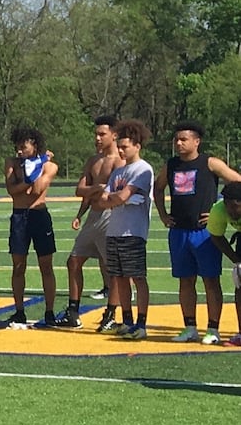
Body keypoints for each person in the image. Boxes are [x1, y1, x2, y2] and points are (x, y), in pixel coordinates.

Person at [153, 121, 241, 344]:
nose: (179, 143)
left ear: (196, 141)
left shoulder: (209, 163)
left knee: (211, 280)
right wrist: (163, 215)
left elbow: (237, 181)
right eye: (177, 139)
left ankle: (213, 329)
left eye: (184, 139)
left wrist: (219, 204)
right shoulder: (171, 165)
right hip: (179, 231)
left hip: (204, 233)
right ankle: (189, 327)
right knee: (185, 281)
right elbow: (158, 187)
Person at [90, 119, 153, 340]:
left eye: (125, 146)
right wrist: (118, 199)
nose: (121, 150)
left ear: (137, 146)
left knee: (137, 277)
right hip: (114, 231)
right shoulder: (119, 173)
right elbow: (102, 201)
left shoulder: (143, 169)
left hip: (132, 232)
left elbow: (121, 196)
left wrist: (117, 198)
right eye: (120, 146)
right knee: (118, 278)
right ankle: (127, 321)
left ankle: (141, 323)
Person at [63, 116, 120, 329]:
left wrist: (95, 190)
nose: (97, 138)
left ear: (114, 135)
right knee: (74, 261)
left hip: (110, 216)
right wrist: (81, 212)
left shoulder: (118, 161)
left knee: (112, 267)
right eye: (96, 134)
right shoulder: (93, 160)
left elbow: (115, 191)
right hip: (93, 217)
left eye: (102, 134)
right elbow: (80, 190)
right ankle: (73, 311)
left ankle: (111, 313)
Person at [3, 127, 60, 326]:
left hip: (39, 215)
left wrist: (39, 165)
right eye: (17, 147)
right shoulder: (12, 163)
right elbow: (12, 190)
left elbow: (36, 190)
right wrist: (27, 179)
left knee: (46, 265)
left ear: (34, 145)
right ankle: (19, 311)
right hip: (19, 216)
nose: (19, 151)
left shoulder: (49, 166)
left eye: (23, 147)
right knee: (18, 266)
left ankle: (50, 311)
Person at [204, 182, 241, 345]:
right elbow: (216, 236)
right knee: (240, 285)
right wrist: (237, 260)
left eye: (234, 206)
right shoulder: (219, 209)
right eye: (227, 205)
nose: (230, 211)